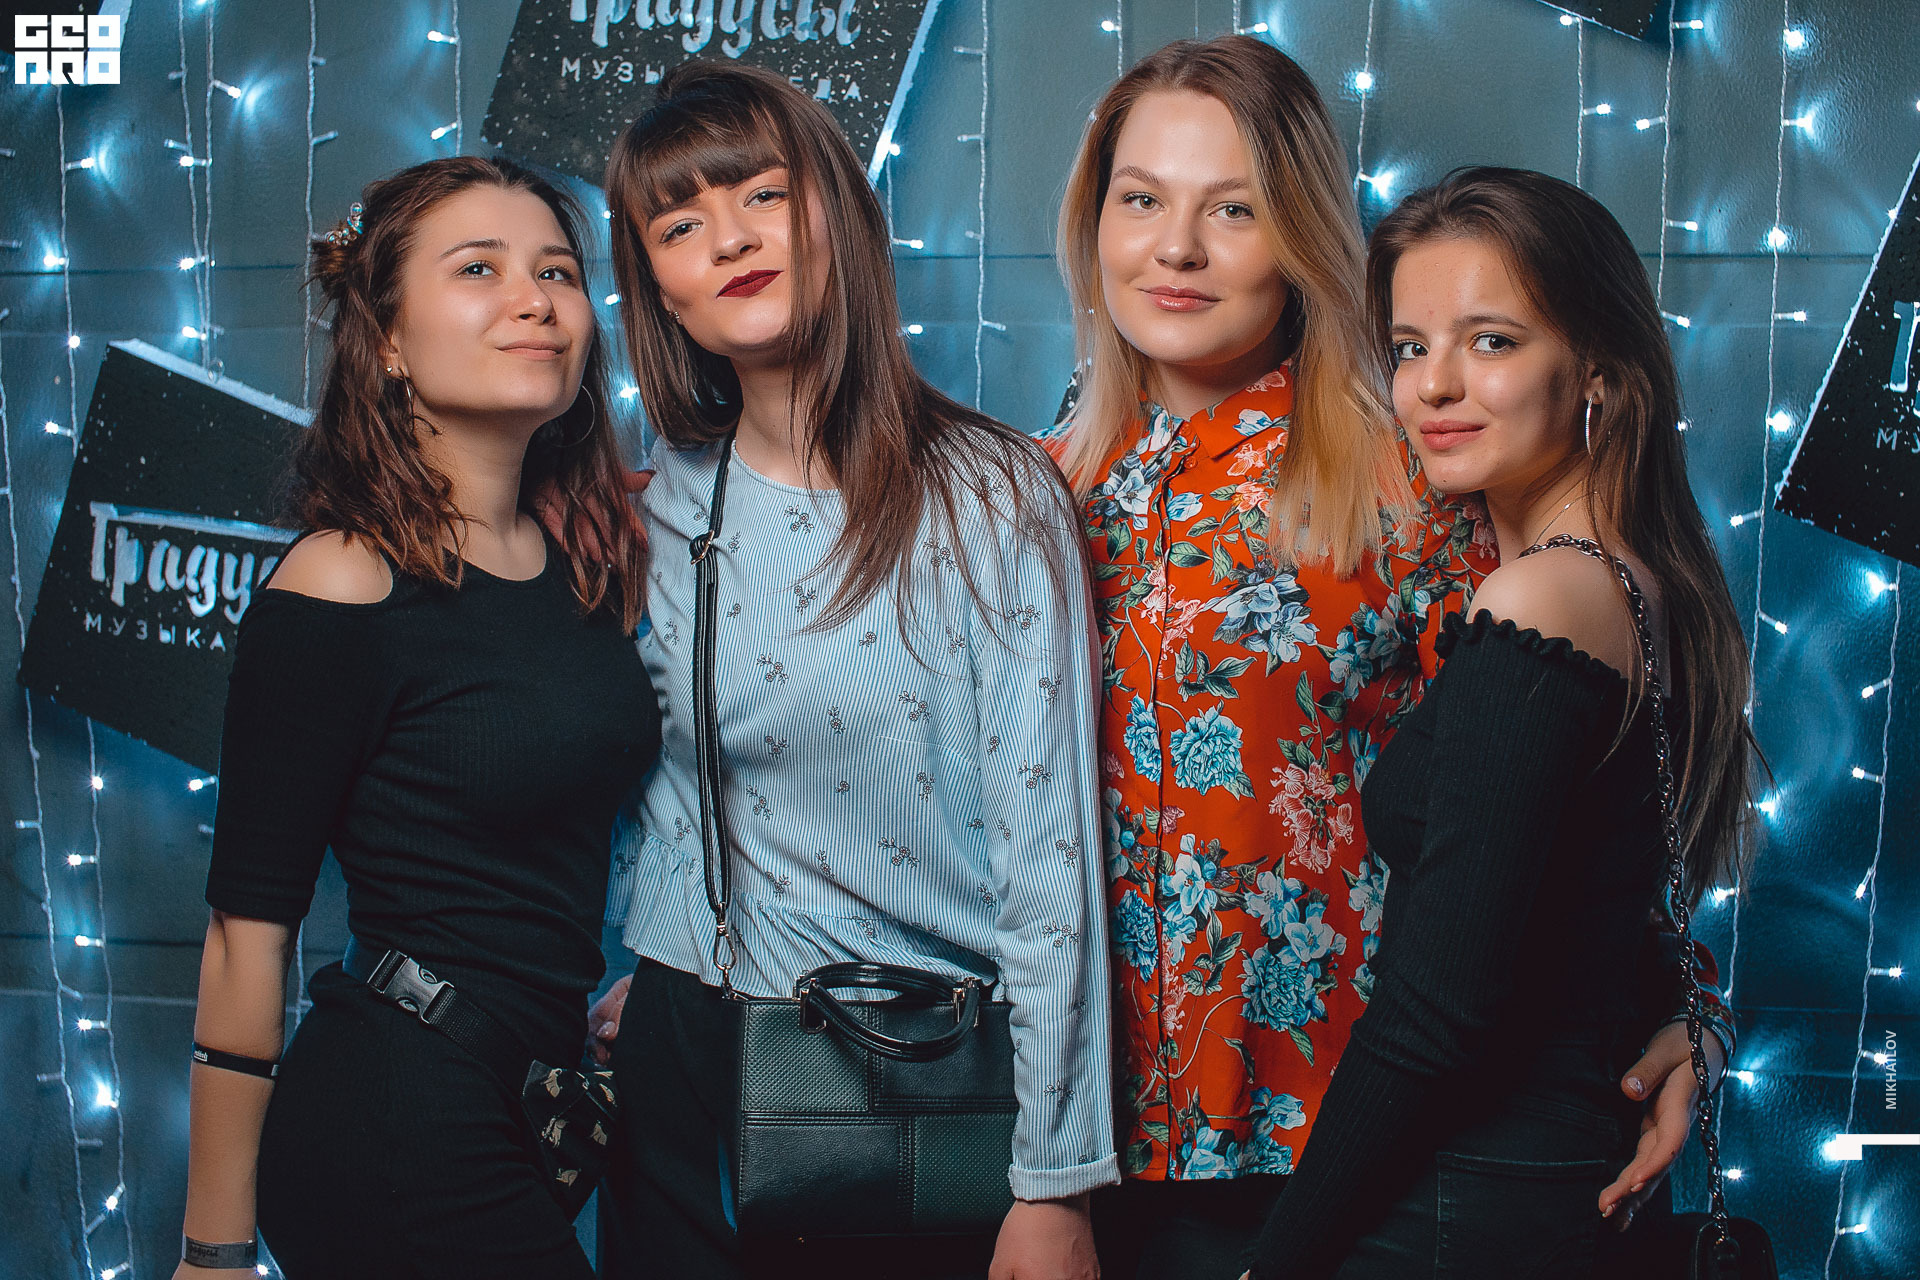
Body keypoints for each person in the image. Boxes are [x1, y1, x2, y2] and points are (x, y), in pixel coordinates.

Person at [1046, 38, 1737, 1278]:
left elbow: (1564, 798)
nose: (1177, 248)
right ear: (1095, 222)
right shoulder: (1035, 489)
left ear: (1299, 234)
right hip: (1084, 1146)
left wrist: (1681, 1007)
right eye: (1141, 199)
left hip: (1349, 1151)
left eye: (1234, 209)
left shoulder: (1412, 474)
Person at [586, 62, 1113, 1280]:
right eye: (679, 225)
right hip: (683, 1071)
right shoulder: (661, 502)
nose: (729, 239)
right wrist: (669, 953)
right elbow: (655, 780)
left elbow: (1051, 863)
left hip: (912, 1066)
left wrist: (1056, 1177)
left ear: (838, 212)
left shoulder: (991, 494)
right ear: (657, 288)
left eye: (762, 195)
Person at [1241, 166, 1760, 1279]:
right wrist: (1703, 1021)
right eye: (1410, 346)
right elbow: (1598, 910)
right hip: (1547, 1176)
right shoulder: (1640, 581)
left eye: (1491, 341)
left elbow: (1437, 1012)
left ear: (1597, 369)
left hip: (1467, 1196)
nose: (1434, 385)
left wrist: (1273, 1267)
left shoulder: (1544, 598)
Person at [173, 155, 657, 1280]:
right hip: (393, 1110)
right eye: (479, 269)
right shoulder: (341, 578)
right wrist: (212, 1251)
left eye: (557, 272)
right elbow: (247, 929)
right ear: (387, 339)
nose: (535, 299)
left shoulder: (584, 564)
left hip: (528, 1107)